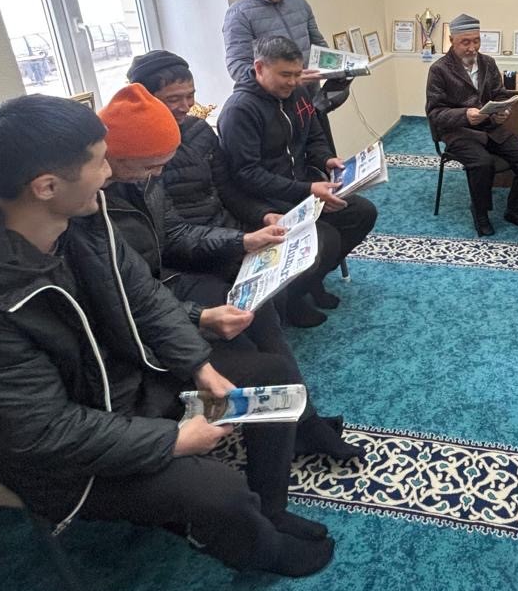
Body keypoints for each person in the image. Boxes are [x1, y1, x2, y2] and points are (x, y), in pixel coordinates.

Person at [0, 95, 334, 577]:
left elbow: (144, 299)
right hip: (60, 459)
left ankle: (270, 512)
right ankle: (262, 550)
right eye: (98, 162)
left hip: (121, 385)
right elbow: (42, 434)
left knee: (272, 376)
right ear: (47, 186)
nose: (109, 173)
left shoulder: (81, 220)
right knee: (221, 491)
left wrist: (199, 366)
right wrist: (172, 439)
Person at [97, 82, 363, 461]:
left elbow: (175, 230)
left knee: (256, 311)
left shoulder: (144, 176)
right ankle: (301, 424)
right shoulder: (91, 206)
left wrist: (243, 240)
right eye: (151, 166)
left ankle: (302, 423)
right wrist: (199, 315)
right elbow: (125, 294)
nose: (158, 173)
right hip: (160, 290)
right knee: (258, 352)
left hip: (169, 275)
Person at [218, 35, 378, 327]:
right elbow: (247, 174)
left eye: (297, 73)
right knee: (326, 239)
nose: (293, 82)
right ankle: (293, 298)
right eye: (285, 75)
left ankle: (312, 280)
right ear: (259, 68)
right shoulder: (239, 111)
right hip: (267, 203)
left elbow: (314, 136)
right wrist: (307, 189)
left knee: (362, 213)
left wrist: (326, 160)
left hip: (303, 190)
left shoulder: (299, 94)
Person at [126, 49, 275, 230]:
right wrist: (244, 240)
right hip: (193, 239)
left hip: (228, 229)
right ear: (145, 98)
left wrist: (263, 214)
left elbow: (227, 189)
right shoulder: (138, 152)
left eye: (190, 96)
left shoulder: (199, 129)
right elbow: (173, 231)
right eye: (173, 99)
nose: (186, 106)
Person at [426, 13, 518, 237]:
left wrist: (502, 111)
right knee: (482, 163)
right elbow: (435, 113)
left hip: (488, 127)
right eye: (465, 42)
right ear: (452, 40)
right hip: (458, 132)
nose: (472, 48)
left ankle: (514, 210)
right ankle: (480, 213)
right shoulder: (439, 69)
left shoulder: (488, 63)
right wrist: (464, 115)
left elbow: (499, 94)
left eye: (476, 41)